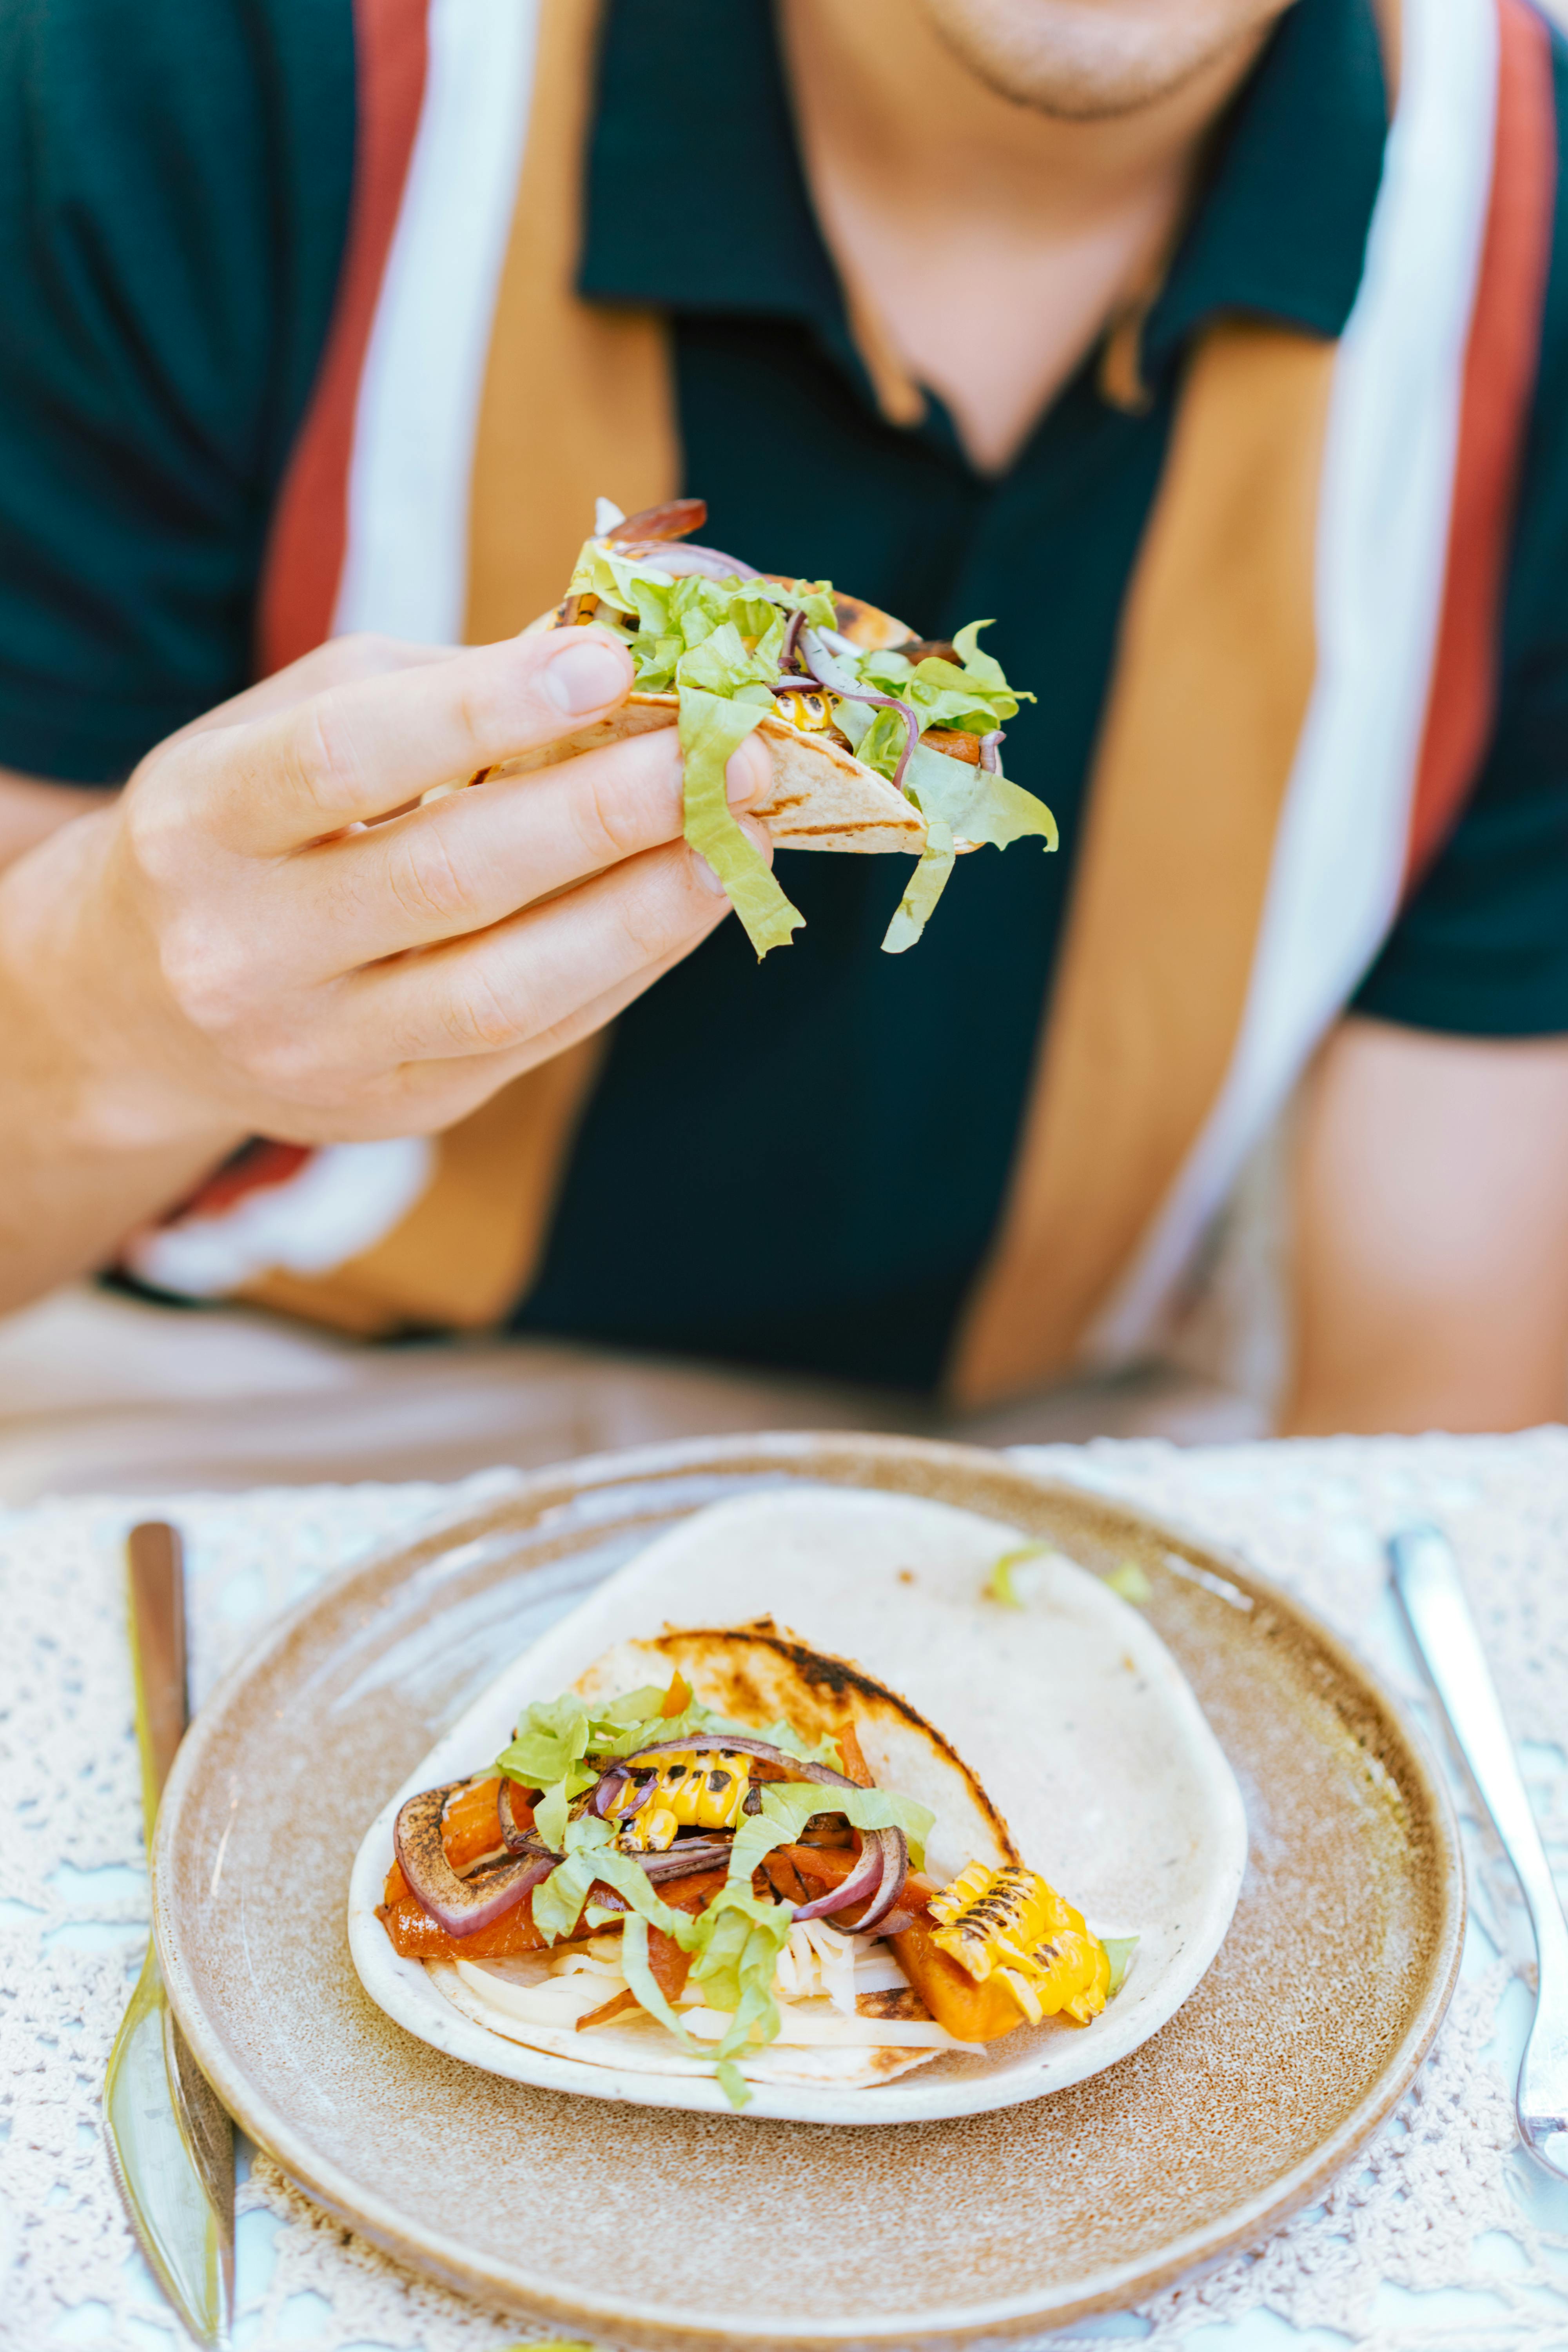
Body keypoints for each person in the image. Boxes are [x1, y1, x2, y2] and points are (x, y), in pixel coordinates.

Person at [1, 0, 1566, 1442]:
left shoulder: (1527, 246)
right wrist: (109, 1015)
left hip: (1063, 1459)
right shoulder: (193, 68)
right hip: (233, 1406)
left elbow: (1432, 1396)